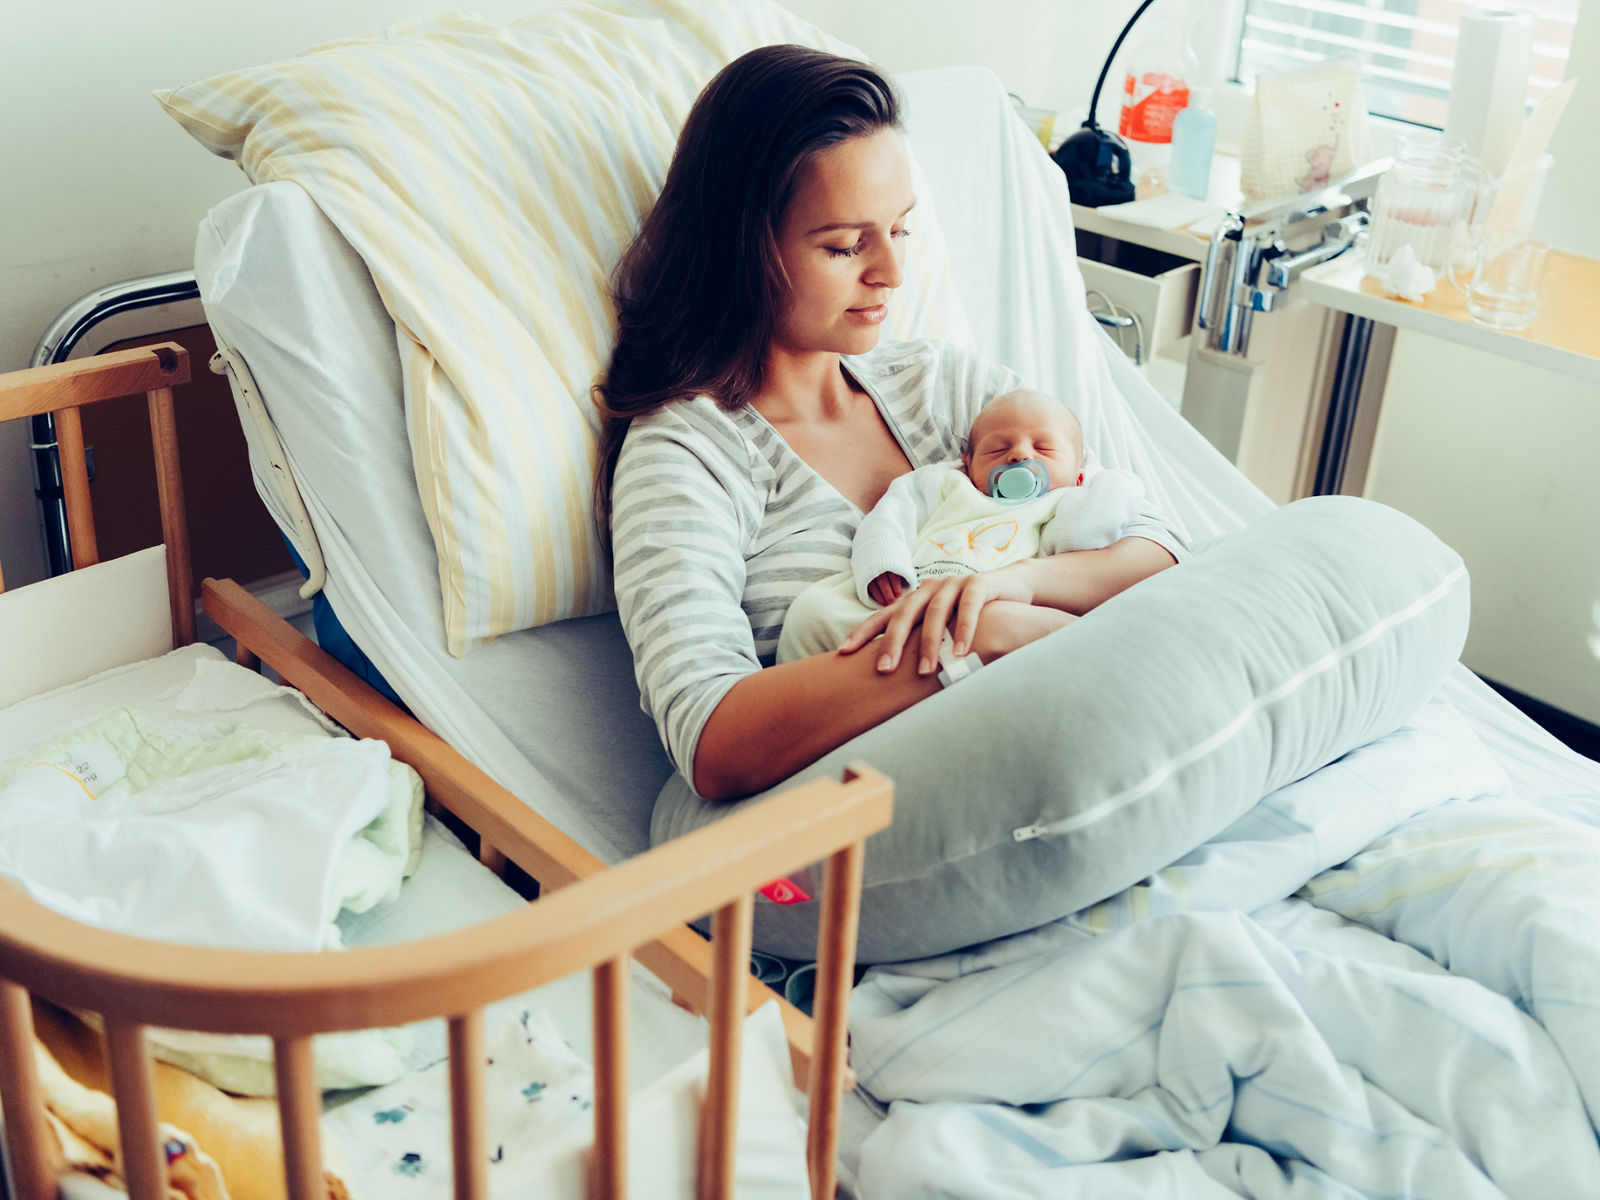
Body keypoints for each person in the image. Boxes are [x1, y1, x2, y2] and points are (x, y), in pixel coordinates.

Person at [596, 45, 1186, 803]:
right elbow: (713, 740)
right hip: (879, 804)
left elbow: (1157, 545)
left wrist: (1018, 583)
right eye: (845, 245)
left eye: (901, 231)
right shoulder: (689, 452)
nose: (891, 274)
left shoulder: (943, 384)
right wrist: (978, 634)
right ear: (742, 247)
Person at [775, 388, 1149, 662]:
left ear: (1078, 472)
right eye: (997, 449)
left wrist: (1111, 483)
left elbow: (1082, 541)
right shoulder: (943, 482)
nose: (1019, 454)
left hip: (987, 614)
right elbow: (890, 516)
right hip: (907, 593)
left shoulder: (1065, 501)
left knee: (1027, 647)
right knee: (812, 611)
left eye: (1044, 449)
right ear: (967, 462)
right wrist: (883, 565)